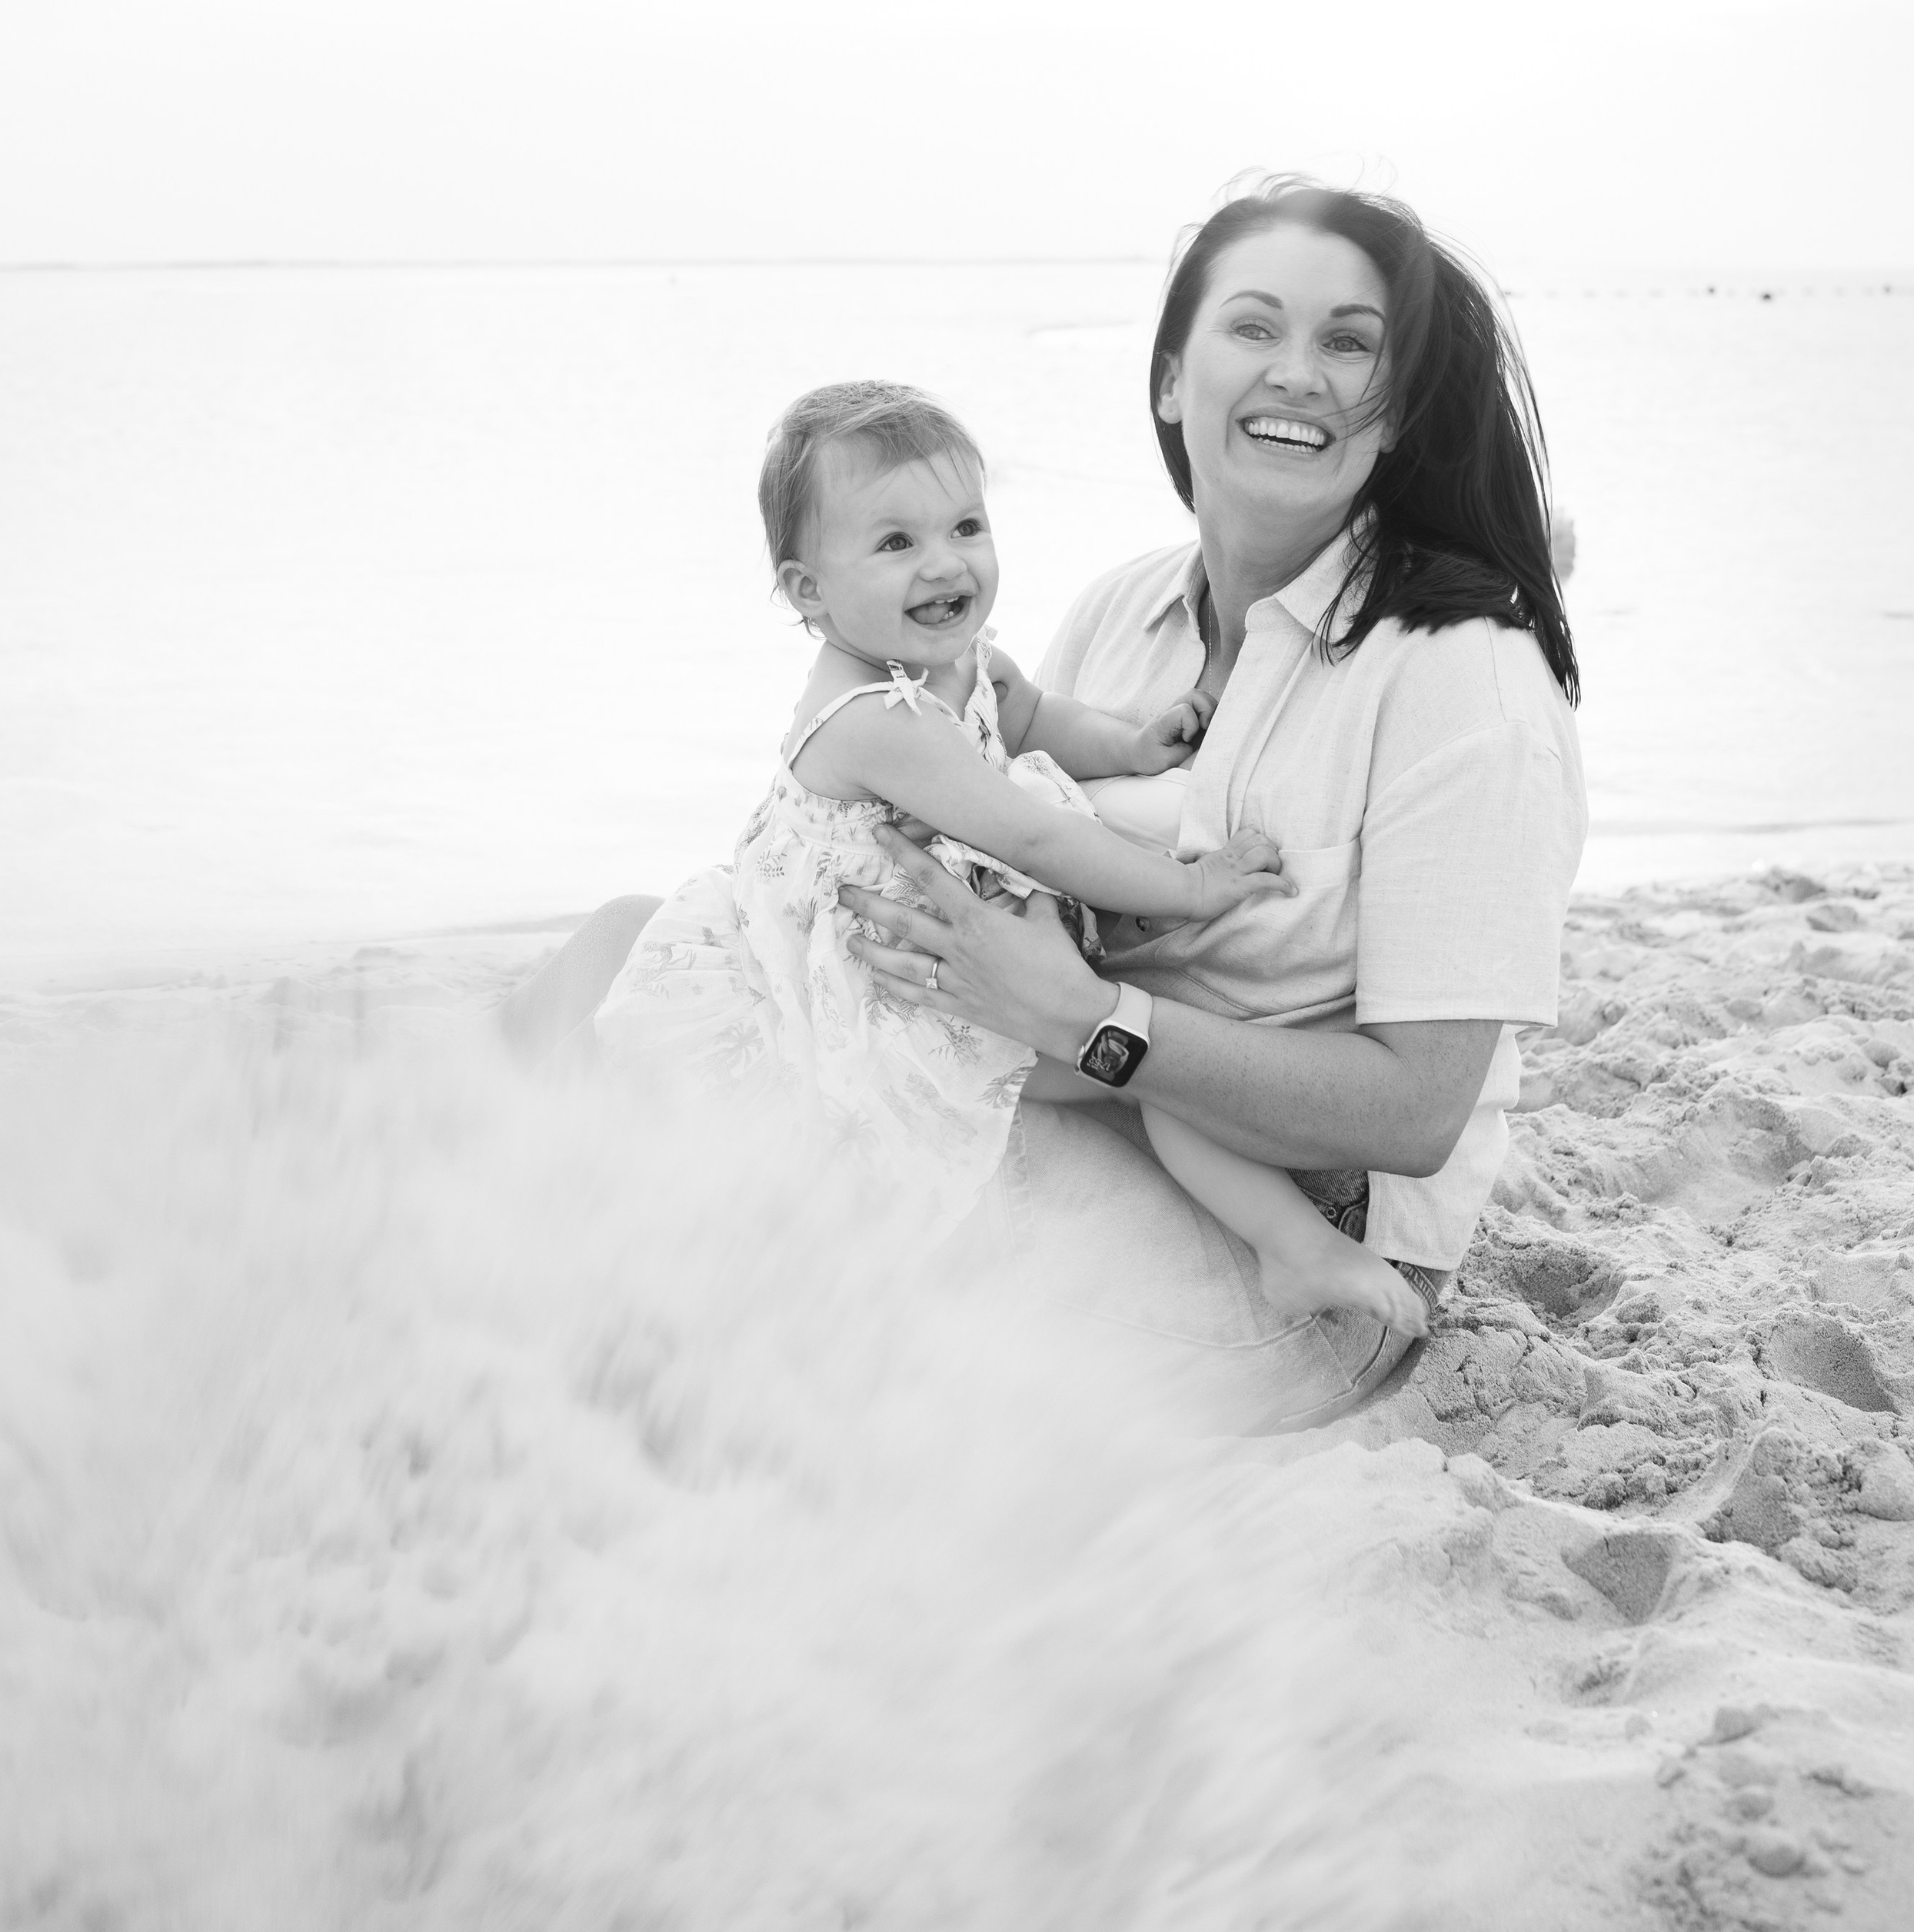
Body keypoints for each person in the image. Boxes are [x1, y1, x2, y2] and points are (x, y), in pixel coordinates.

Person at [510, 177, 1584, 1432]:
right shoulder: (1119, 617)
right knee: (628, 950)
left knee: (747, 1154)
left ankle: (568, 1371)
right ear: (1174, 380)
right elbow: (1019, 845)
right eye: (1254, 327)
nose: (1298, 371)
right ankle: (458, 1265)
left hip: (1292, 1232)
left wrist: (1090, 1020)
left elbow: (1415, 1110)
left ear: (1394, 411)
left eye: (1348, 343)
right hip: (1060, 1087)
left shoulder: (1464, 685)